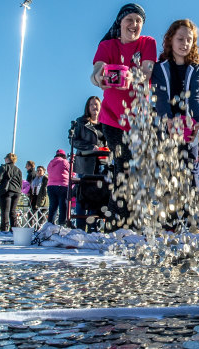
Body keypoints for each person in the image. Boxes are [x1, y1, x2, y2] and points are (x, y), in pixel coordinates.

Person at [91, 3, 156, 230]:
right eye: (130, 19)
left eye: (139, 21)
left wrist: (131, 76)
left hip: (139, 119)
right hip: (112, 119)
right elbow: (96, 72)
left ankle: (125, 221)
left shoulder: (148, 43)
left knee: (137, 170)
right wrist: (100, 78)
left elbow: (147, 71)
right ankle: (120, 222)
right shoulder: (107, 45)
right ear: (120, 22)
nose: (134, 24)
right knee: (124, 165)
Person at [152, 18, 199, 189]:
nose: (185, 43)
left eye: (189, 40)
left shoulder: (196, 69)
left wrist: (197, 121)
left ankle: (191, 214)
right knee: (167, 173)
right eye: (180, 39)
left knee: (190, 173)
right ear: (170, 40)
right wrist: (167, 120)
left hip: (188, 128)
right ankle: (169, 214)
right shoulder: (160, 68)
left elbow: (196, 97)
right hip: (164, 128)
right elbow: (160, 96)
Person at [71, 96, 106, 231]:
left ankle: (93, 227)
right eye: (91, 104)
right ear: (87, 107)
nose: (94, 107)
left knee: (97, 195)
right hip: (85, 163)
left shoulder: (104, 123)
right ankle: (80, 226)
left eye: (96, 104)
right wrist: (90, 147)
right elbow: (74, 141)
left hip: (101, 162)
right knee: (82, 194)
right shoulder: (81, 122)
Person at [0, 153, 23, 232]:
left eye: (5, 158)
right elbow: (20, 182)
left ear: (8, 159)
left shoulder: (3, 167)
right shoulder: (18, 169)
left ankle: (4, 229)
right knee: (13, 211)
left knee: (5, 211)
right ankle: (14, 229)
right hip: (17, 191)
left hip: (7, 190)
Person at [47, 149, 70, 226]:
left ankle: (50, 224)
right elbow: (72, 172)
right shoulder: (64, 162)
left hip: (50, 186)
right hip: (62, 186)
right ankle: (62, 224)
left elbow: (48, 172)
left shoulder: (50, 162)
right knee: (63, 206)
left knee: (52, 206)